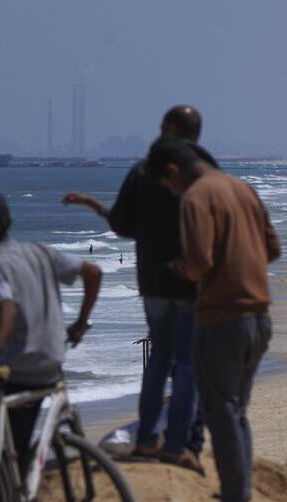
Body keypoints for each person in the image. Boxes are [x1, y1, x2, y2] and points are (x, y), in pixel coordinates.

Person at [61, 106, 210, 474]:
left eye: (163, 126)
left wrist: (96, 206)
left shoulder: (143, 172)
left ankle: (146, 438)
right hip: (193, 282)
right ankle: (177, 444)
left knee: (160, 358)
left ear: (173, 129)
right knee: (188, 363)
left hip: (155, 283)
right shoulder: (205, 171)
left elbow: (122, 225)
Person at [149, 137, 281, 502]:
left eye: (166, 186)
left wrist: (178, 268)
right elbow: (272, 248)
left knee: (221, 415)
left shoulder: (194, 199)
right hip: (259, 315)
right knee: (236, 413)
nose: (171, 193)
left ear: (173, 172)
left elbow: (200, 261)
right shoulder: (242, 188)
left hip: (222, 319)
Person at [0, 190, 102, 475]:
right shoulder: (40, 252)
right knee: (22, 437)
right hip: (53, 364)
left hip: (19, 373)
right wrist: (80, 323)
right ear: (10, 220)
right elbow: (93, 273)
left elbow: (7, 309)